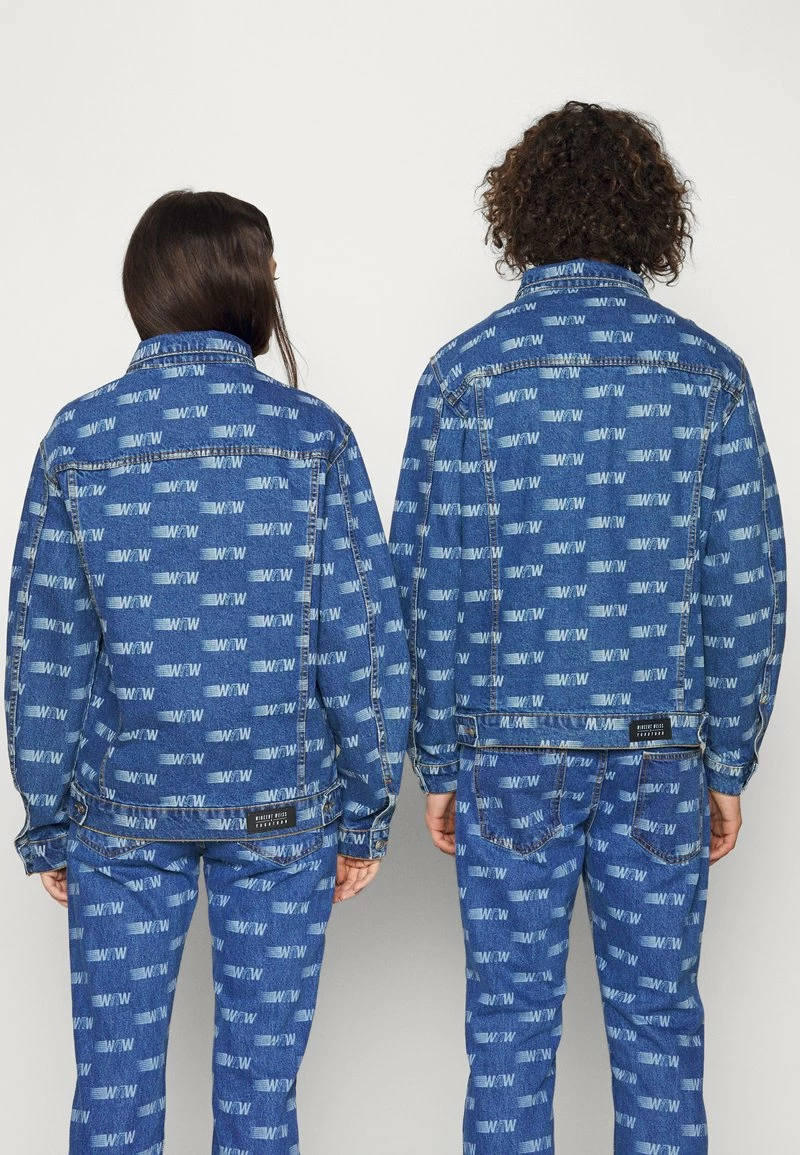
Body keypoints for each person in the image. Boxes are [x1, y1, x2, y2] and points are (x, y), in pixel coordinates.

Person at [389, 100, 786, 1153]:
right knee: (659, 1034)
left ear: (520, 214)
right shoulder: (708, 374)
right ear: (649, 217)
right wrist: (726, 759)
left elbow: (422, 580)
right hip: (661, 753)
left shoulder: (464, 373)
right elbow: (746, 584)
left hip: (509, 754)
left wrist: (437, 757)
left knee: (508, 1036)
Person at [5, 189, 410, 1153]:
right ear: (244, 285)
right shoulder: (313, 436)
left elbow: (44, 650)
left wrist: (47, 815)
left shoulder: (79, 438)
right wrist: (365, 806)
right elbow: (363, 639)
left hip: (123, 811)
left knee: (113, 1089)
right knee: (262, 1099)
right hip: (281, 812)